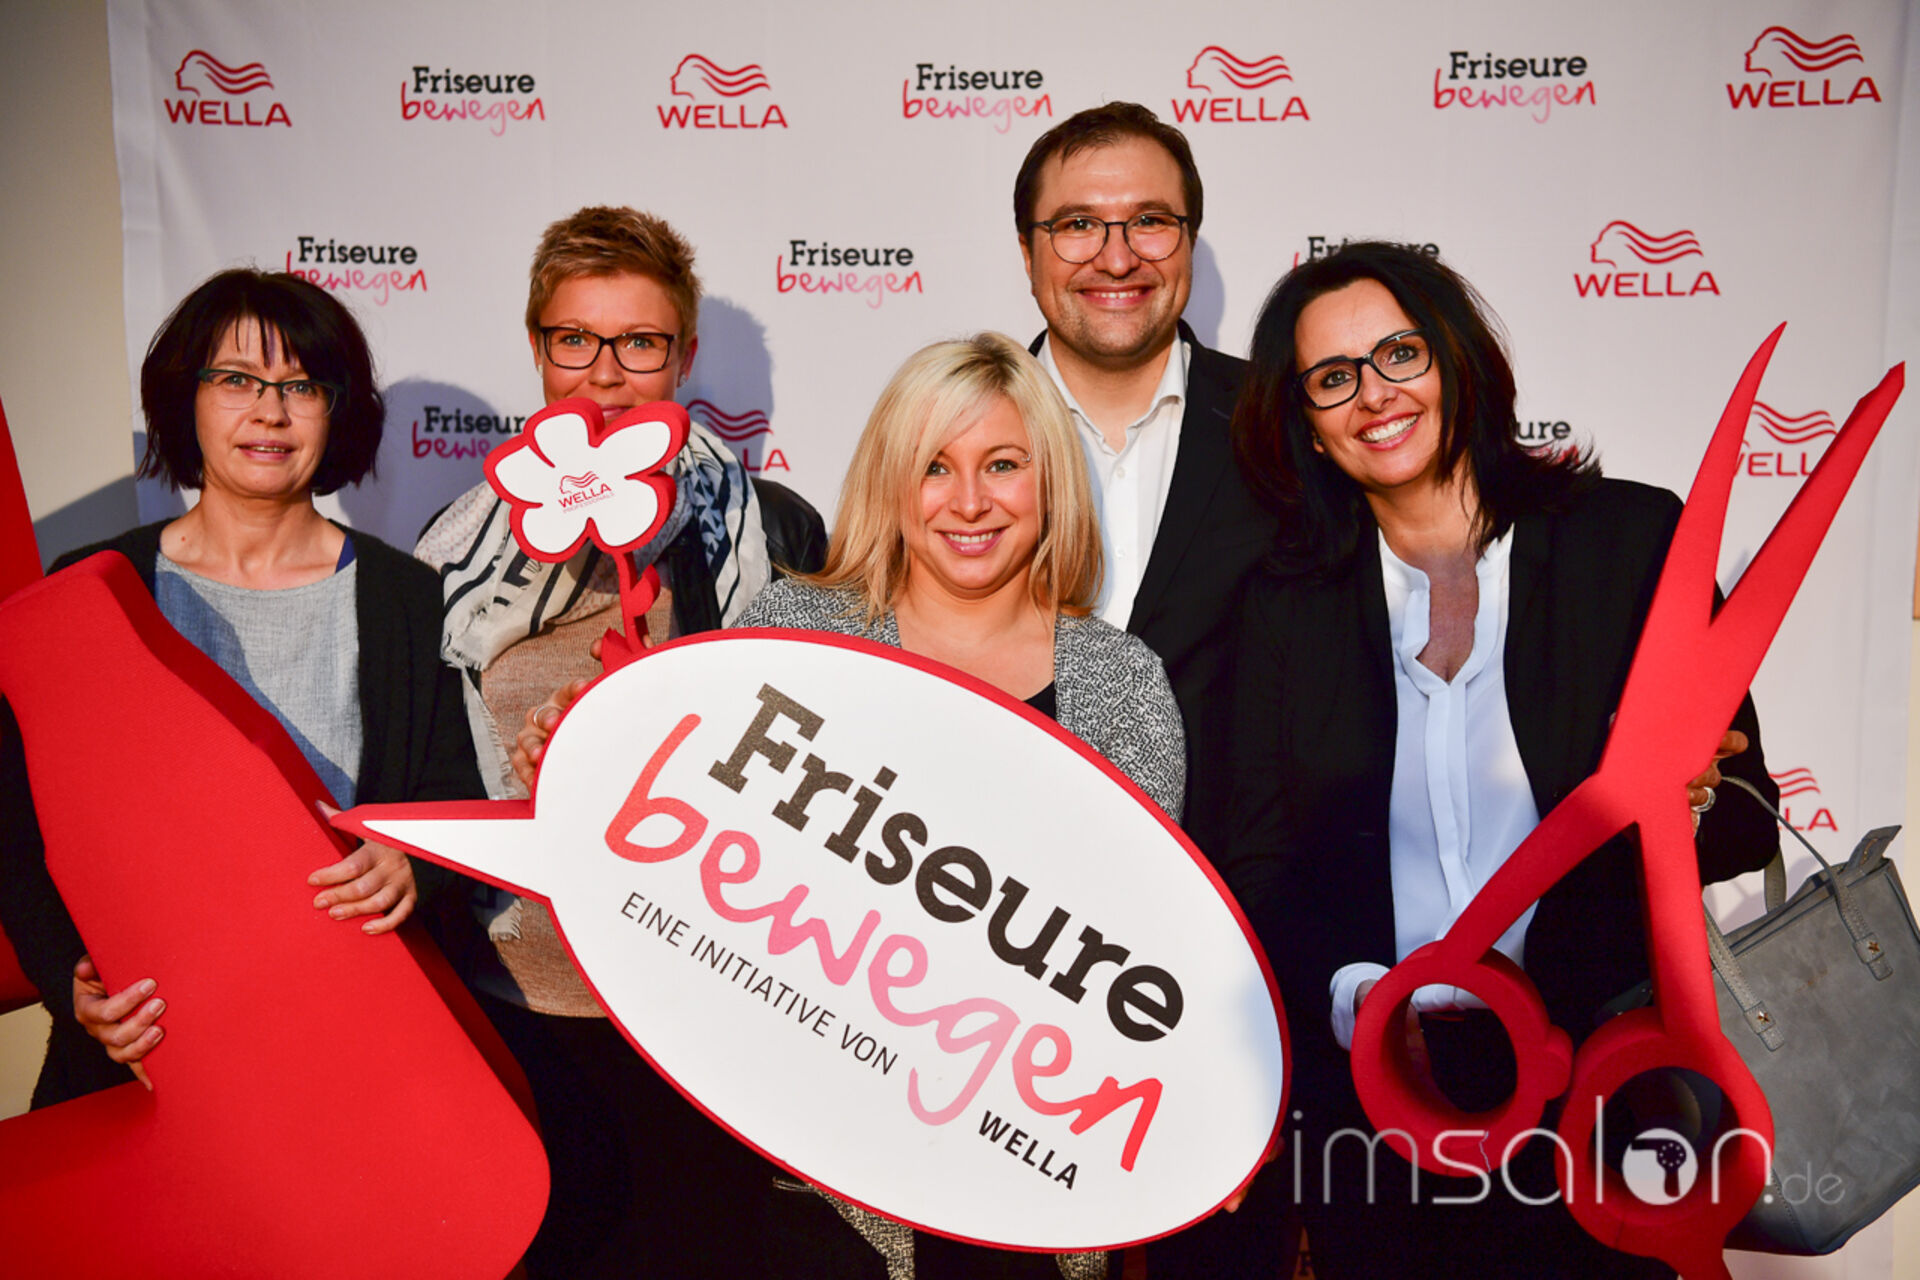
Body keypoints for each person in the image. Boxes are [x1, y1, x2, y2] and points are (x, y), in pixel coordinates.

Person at [515, 331, 1183, 1280]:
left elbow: (1146, 955)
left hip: (1030, 1181)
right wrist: (585, 759)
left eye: (1003, 464)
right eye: (934, 467)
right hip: (821, 1193)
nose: (969, 501)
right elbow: (692, 869)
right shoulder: (794, 636)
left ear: (1051, 481)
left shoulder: (1121, 683)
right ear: (890, 480)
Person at [1219, 241, 1781, 1277]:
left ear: (1457, 359)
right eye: (1333, 377)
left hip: (1601, 1092)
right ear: (1308, 423)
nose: (1374, 394)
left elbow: (1747, 813)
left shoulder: (1626, 541)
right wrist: (1358, 1000)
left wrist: (1690, 799)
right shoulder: (1283, 602)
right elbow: (1256, 862)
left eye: (1401, 353)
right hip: (1379, 1107)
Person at [413, 204, 826, 1279]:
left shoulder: (772, 533)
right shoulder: (452, 549)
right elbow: (422, 774)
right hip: (518, 1005)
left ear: (684, 353)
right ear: (537, 347)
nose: (605, 374)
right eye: (575, 339)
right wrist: (532, 781)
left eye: (639, 342)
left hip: (709, 1003)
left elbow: (816, 760)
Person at [0, 268, 482, 1107]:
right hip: (150, 1045)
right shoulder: (92, 587)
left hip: (350, 1038)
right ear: (185, 398)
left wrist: (415, 858)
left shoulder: (408, 597)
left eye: (301, 385)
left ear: (337, 411)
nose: (270, 412)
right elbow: (18, 820)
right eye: (236, 380)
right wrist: (67, 980)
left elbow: (457, 792)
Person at [1013, 101, 1288, 1275]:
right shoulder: (954, 427)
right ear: (1028, 248)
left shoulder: (1290, 426)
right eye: (1078, 223)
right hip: (984, 956)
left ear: (1190, 239)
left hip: (1233, 973)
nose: (1115, 254)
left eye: (1149, 222)